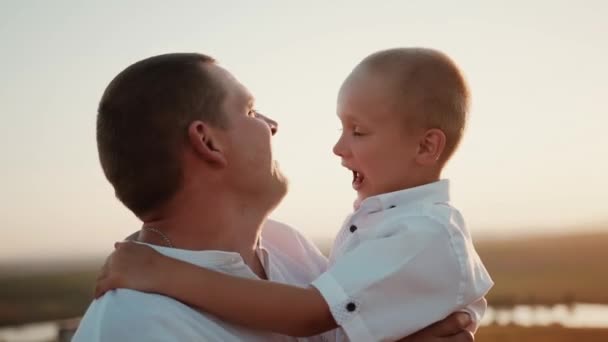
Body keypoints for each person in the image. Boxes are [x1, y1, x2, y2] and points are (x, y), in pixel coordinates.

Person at [94, 48, 493, 341]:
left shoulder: (290, 250)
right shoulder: (134, 324)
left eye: (358, 130)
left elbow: (316, 316)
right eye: (251, 112)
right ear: (208, 142)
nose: (273, 125)